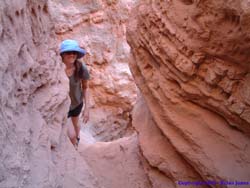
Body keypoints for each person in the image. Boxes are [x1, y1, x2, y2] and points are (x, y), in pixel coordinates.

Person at [60, 39, 90, 149]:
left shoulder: (81, 68)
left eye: (74, 52)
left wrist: (87, 108)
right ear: (62, 54)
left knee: (76, 125)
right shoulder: (57, 69)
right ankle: (74, 148)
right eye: (68, 52)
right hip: (64, 107)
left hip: (77, 103)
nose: (72, 55)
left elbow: (86, 87)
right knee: (71, 135)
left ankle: (77, 141)